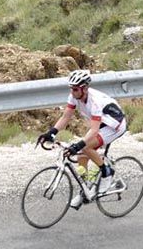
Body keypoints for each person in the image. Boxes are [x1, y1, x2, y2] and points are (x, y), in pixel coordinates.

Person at [37, 69, 127, 208]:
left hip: (114, 125)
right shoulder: (74, 96)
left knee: (85, 146)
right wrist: (51, 133)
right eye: (71, 89)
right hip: (102, 122)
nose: (72, 92)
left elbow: (94, 130)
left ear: (84, 88)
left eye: (75, 89)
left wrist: (78, 145)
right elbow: (66, 117)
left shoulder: (95, 102)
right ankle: (85, 190)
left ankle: (106, 171)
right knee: (81, 156)